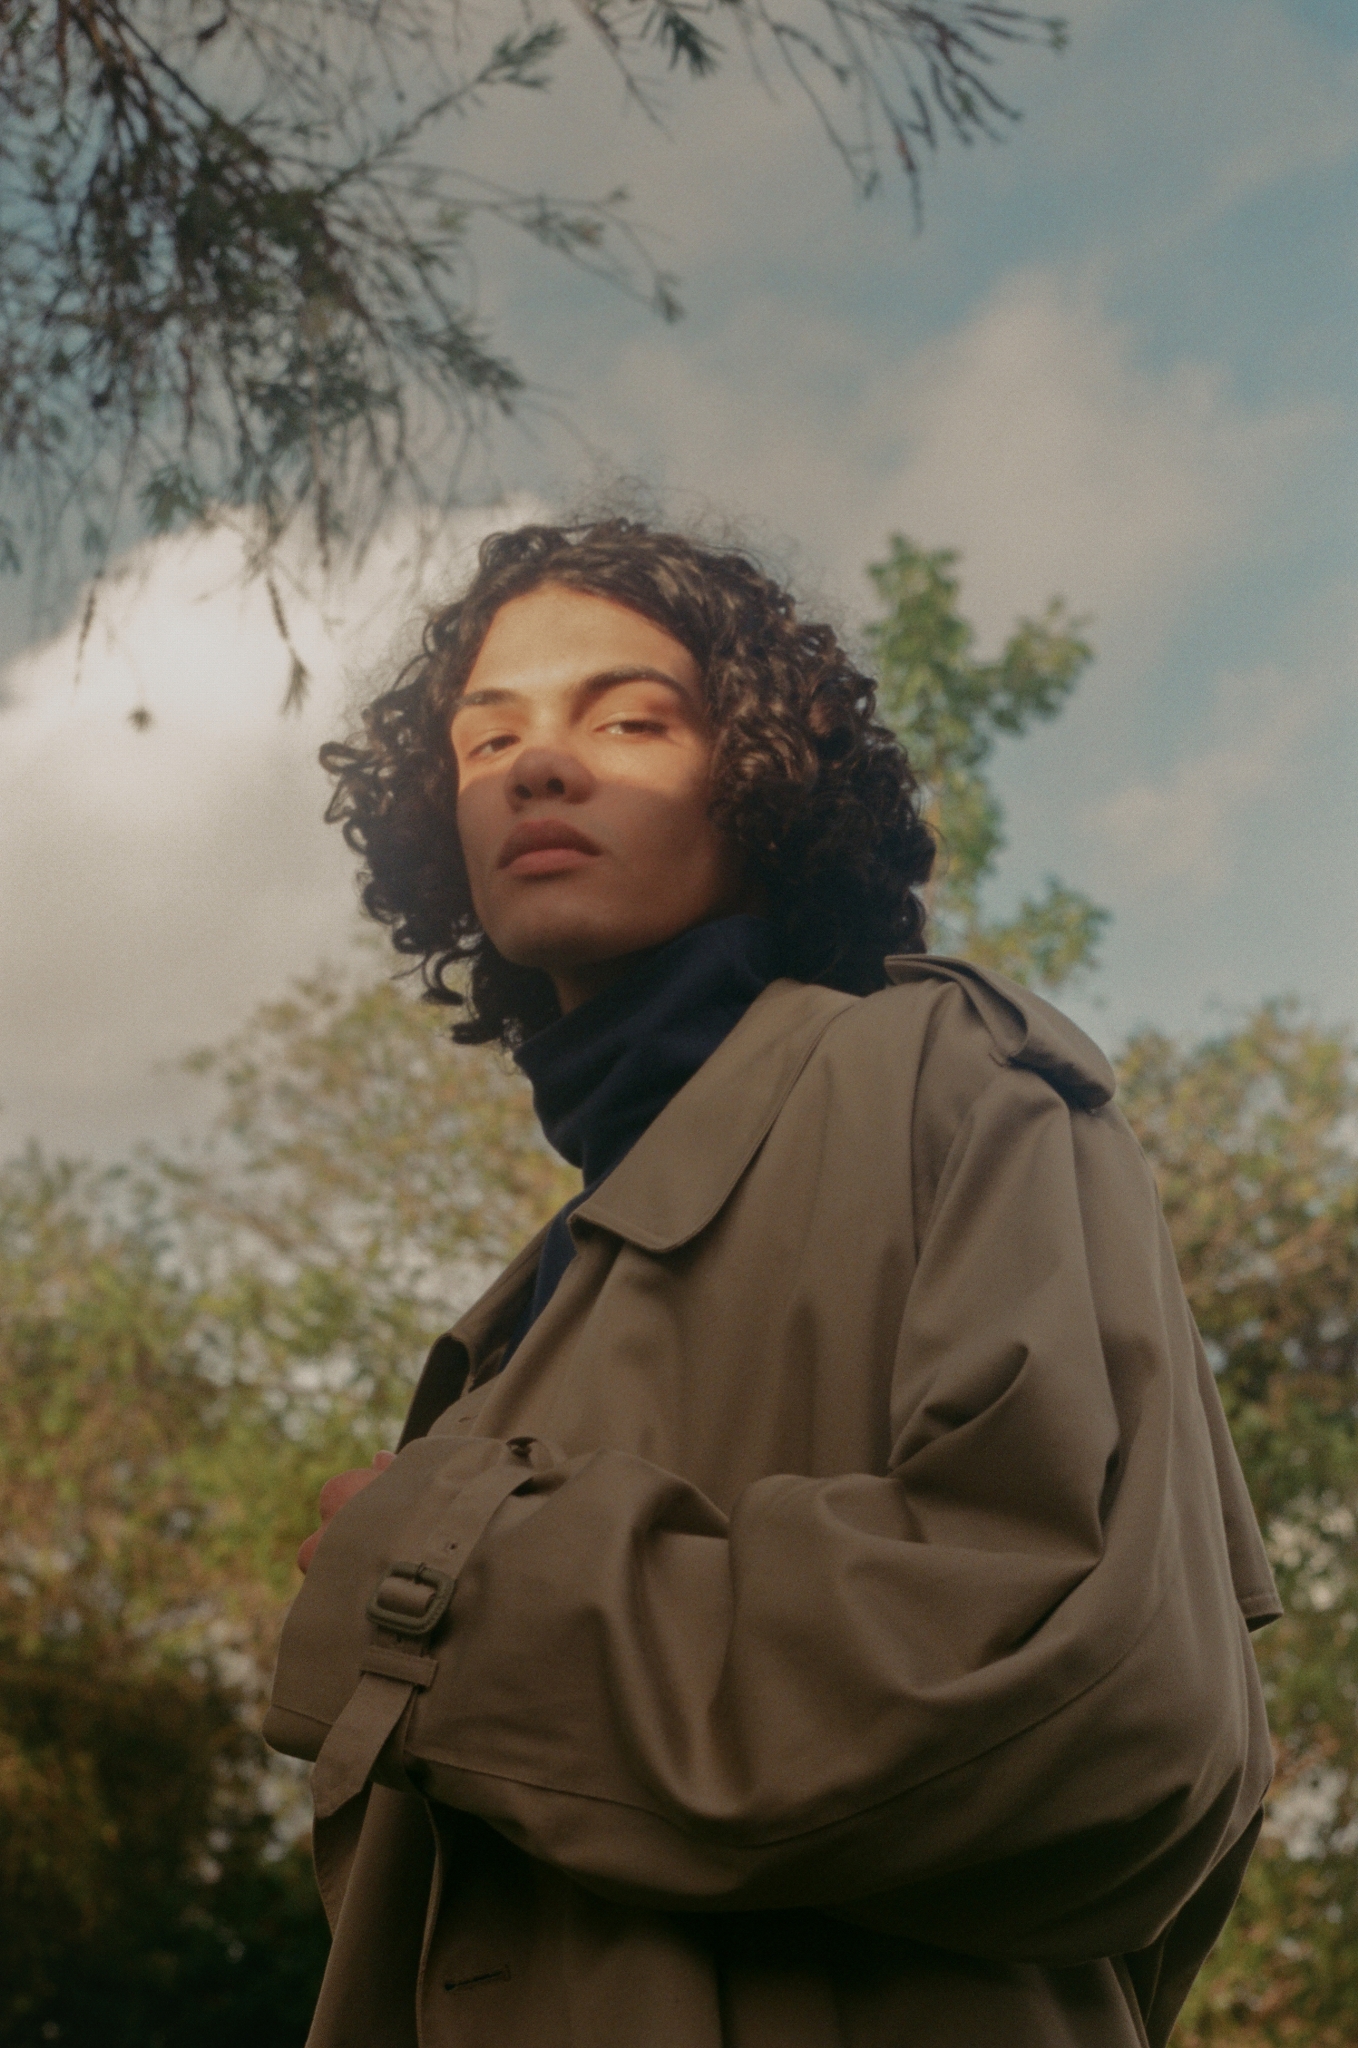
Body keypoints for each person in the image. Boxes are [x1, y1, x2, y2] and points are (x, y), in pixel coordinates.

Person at [264, 518, 1279, 2048]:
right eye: (488, 739)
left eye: (628, 721)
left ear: (760, 780)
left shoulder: (944, 1077)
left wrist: (446, 1596)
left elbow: (1107, 1704)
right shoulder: (533, 1300)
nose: (538, 769)